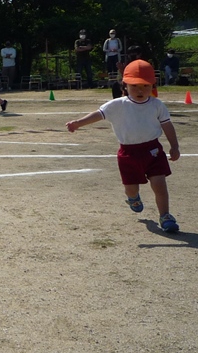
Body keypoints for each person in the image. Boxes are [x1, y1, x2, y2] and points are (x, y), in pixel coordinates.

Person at [65, 60, 180, 234]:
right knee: (131, 186)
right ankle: (132, 197)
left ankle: (165, 216)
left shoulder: (157, 105)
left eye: (145, 85)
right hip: (129, 153)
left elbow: (167, 125)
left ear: (152, 86)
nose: (140, 90)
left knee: (160, 184)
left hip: (153, 150)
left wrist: (174, 146)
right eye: (134, 86)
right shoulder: (117, 105)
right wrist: (78, 123)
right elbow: (98, 114)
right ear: (125, 85)